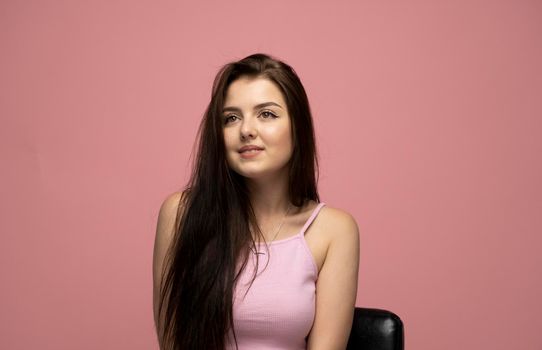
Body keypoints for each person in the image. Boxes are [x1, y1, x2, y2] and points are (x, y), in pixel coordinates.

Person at [153, 53, 360, 350]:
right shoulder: (181, 214)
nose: (246, 130)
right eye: (231, 118)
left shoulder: (334, 230)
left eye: (267, 114)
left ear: (297, 128)